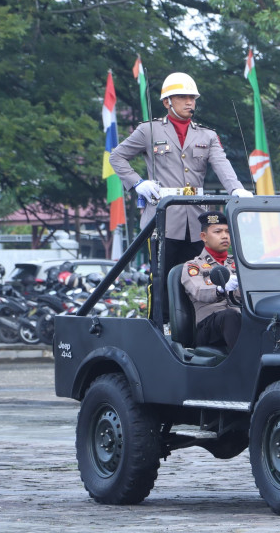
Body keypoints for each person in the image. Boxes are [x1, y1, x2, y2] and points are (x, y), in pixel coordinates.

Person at [110, 71, 253, 269]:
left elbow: (222, 164)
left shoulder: (207, 135)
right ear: (167, 102)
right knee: (162, 284)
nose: (189, 102)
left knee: (197, 280)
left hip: (196, 220)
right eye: (182, 97)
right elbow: (117, 156)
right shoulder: (148, 130)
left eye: (192, 98)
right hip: (162, 219)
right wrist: (137, 183)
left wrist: (236, 189)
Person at [181, 211, 241, 351]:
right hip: (208, 326)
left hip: (240, 319)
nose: (224, 236)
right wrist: (220, 289)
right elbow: (199, 291)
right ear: (204, 236)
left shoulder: (239, 263)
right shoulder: (193, 266)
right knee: (230, 316)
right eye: (218, 232)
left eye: (227, 231)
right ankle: (245, 366)